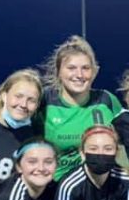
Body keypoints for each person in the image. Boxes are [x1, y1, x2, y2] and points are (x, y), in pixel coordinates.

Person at [38, 35, 123, 181]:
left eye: (85, 68)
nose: (79, 75)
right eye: (71, 68)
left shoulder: (106, 100)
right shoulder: (45, 101)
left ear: (94, 72)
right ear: (59, 71)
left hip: (101, 188)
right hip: (54, 190)